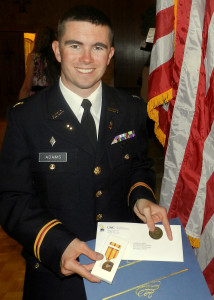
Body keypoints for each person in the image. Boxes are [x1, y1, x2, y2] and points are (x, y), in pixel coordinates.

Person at [0, 5, 172, 300]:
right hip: (57, 273)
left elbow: (139, 166)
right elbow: (11, 199)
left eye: (98, 47)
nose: (86, 59)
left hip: (122, 268)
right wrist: (57, 243)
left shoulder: (131, 110)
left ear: (110, 54)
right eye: (75, 45)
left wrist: (142, 198)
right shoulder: (25, 118)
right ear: (57, 50)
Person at [18, 26, 60, 100]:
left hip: (38, 97)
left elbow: (27, 85)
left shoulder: (34, 57)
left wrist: (19, 104)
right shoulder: (58, 56)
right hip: (55, 95)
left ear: (38, 39)